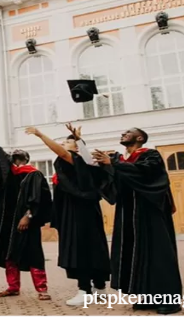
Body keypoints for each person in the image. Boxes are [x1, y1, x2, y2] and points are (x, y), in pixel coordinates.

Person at [92, 128, 182, 315]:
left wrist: (114, 163)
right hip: (128, 216)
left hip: (150, 214)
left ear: (139, 138)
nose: (123, 134)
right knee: (135, 254)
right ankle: (147, 295)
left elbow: (145, 173)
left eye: (128, 132)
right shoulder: (122, 159)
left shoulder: (151, 155)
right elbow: (115, 182)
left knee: (158, 254)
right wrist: (105, 166)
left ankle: (170, 300)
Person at [26, 123, 112, 306]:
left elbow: (63, 153)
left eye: (67, 142)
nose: (63, 145)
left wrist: (41, 135)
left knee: (79, 249)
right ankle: (100, 288)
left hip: (78, 211)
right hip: (85, 210)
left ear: (77, 149)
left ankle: (85, 290)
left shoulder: (76, 160)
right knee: (93, 248)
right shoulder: (86, 164)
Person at [0, 106, 53, 301]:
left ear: (27, 158)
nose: (16, 155)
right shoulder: (8, 176)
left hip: (25, 221)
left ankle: (42, 289)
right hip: (6, 222)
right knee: (8, 254)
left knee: (34, 253)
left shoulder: (33, 174)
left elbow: (39, 199)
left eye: (20, 154)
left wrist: (28, 215)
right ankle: (13, 287)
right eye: (14, 155)